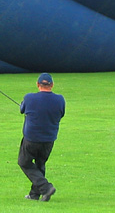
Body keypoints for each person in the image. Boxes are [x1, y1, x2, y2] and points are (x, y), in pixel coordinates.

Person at [18, 73, 65, 202]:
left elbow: (22, 109)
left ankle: (46, 187)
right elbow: (61, 115)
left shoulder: (29, 98)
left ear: (38, 85)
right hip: (49, 139)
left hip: (32, 138)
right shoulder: (60, 99)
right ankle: (34, 195)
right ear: (52, 85)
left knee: (24, 162)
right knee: (40, 164)